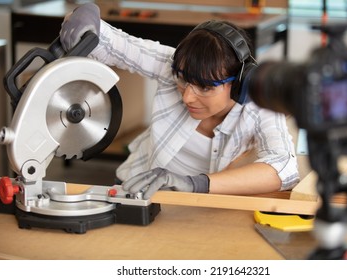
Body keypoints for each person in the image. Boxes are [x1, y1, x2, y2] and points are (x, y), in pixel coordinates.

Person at [60, 3, 300, 199]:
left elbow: (285, 168)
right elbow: (111, 42)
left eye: (205, 88)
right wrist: (83, 16)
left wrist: (193, 184)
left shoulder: (259, 104)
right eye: (182, 81)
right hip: (136, 187)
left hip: (201, 199)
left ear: (238, 83)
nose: (187, 96)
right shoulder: (175, 64)